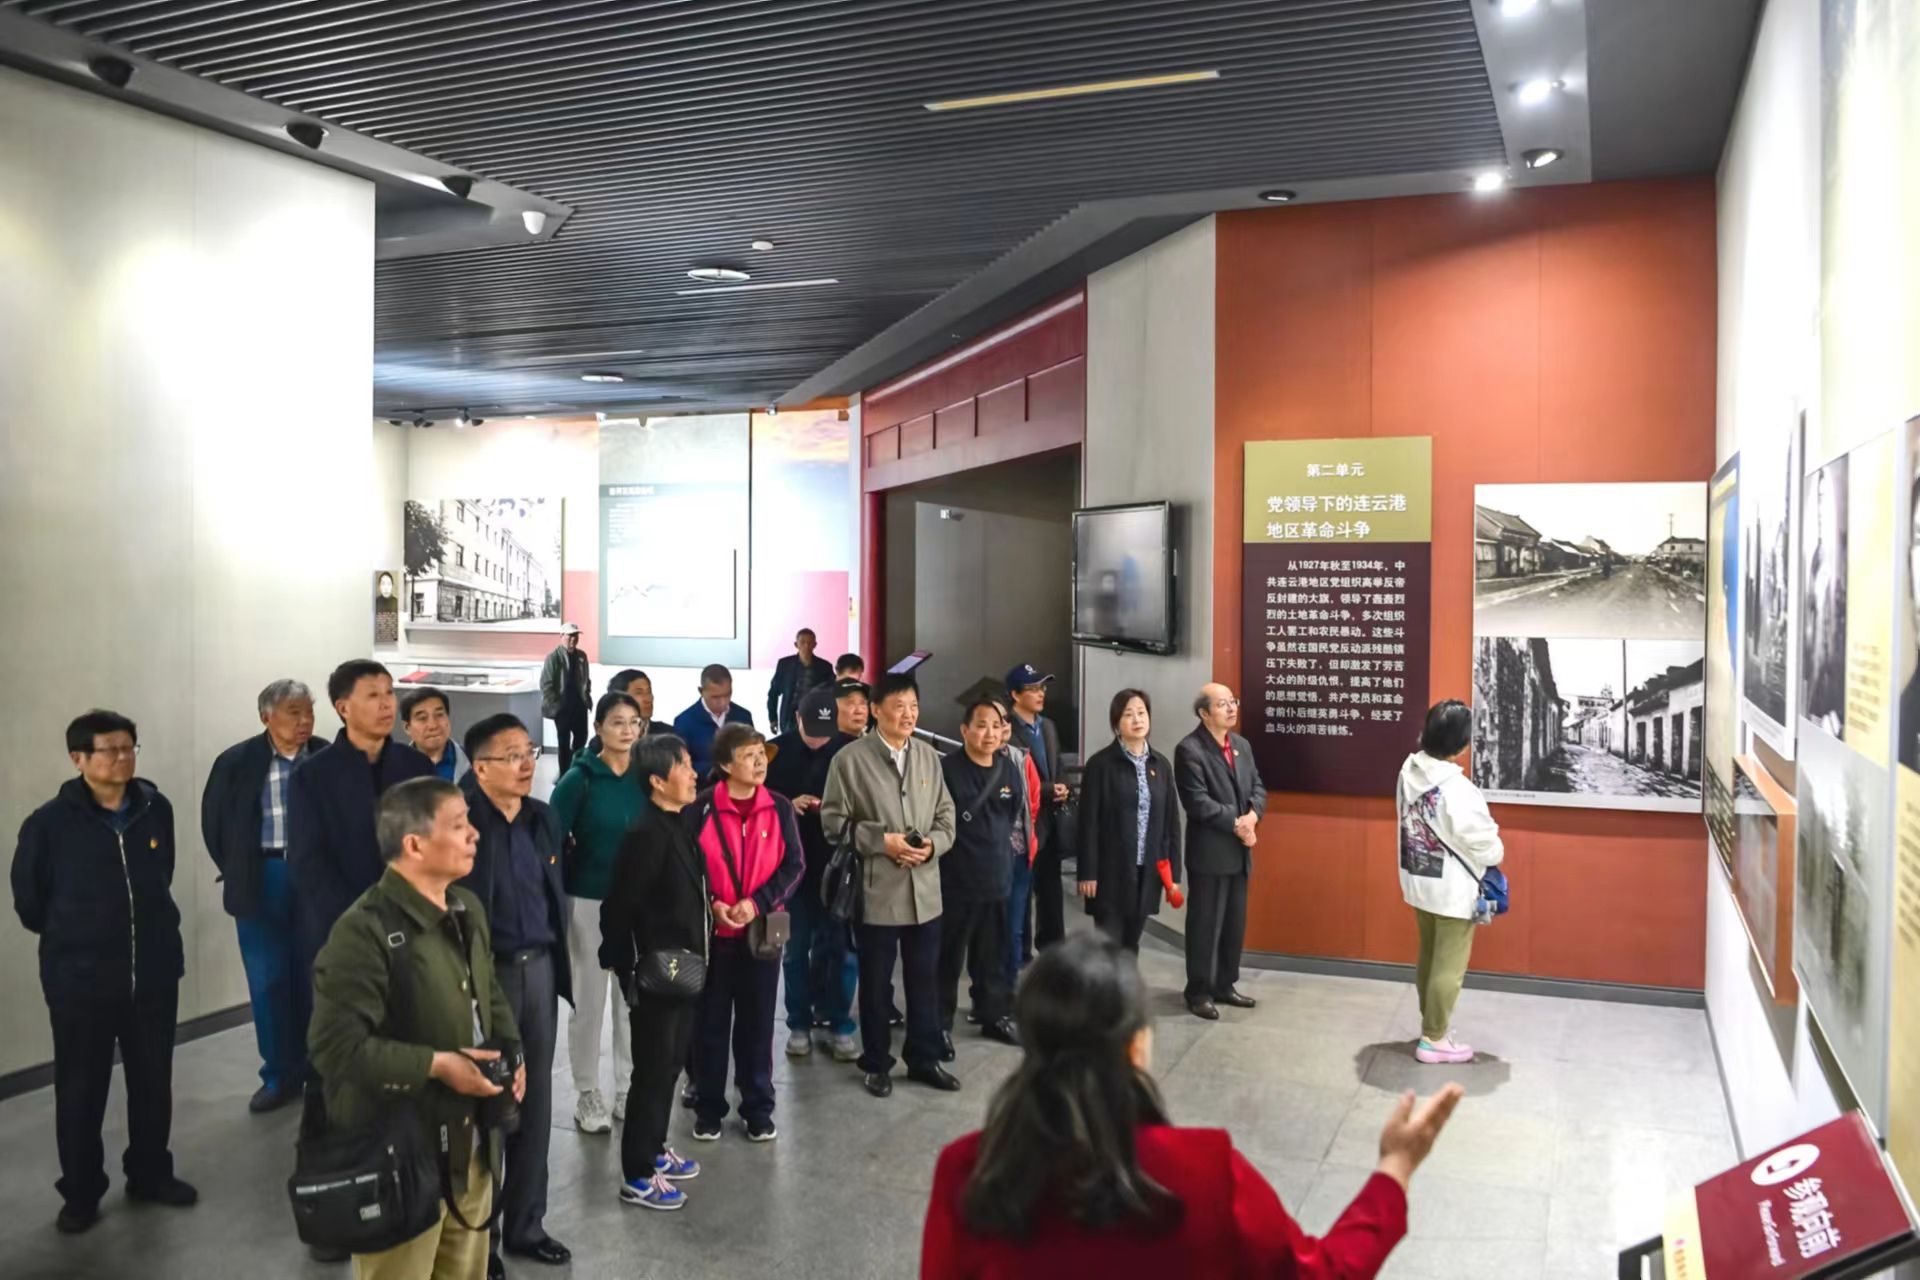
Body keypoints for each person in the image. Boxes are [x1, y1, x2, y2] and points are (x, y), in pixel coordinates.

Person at [919, 933, 1463, 1278]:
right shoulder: (1206, 1171)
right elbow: (1320, 1273)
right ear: (1137, 1044)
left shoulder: (968, 1170)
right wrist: (1395, 1169)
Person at [307, 778, 527, 1280]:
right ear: (414, 844)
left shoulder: (466, 907)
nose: (474, 834)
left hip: (471, 1145)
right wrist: (437, 1065)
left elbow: (487, 990)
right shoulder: (363, 930)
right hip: (401, 1160)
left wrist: (512, 1051)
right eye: (458, 825)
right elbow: (334, 1048)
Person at [11, 710, 196, 1235]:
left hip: (153, 972)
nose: (122, 758)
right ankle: (81, 1191)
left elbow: (161, 876)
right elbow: (30, 903)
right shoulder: (49, 825)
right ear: (78, 758)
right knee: (80, 1090)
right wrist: (81, 934)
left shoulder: (156, 808)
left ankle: (150, 1173)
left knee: (153, 1081)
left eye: (129, 747)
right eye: (110, 750)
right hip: (81, 982)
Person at [457, 715, 573, 1271]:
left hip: (540, 970)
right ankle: (482, 1238)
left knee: (536, 1100)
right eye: (511, 756)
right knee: (488, 1105)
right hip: (486, 976)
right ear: (480, 768)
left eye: (529, 752)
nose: (526, 764)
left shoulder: (541, 818)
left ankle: (527, 1225)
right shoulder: (458, 822)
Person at [821, 673, 959, 1098]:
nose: (908, 715)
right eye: (899, 706)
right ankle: (877, 1062)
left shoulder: (928, 756)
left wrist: (932, 846)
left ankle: (923, 1058)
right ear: (876, 710)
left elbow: (947, 816)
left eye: (913, 706)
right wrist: (883, 842)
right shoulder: (849, 760)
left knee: (924, 980)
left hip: (925, 891)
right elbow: (833, 823)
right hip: (876, 890)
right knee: (877, 983)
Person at [201, 678, 324, 1113]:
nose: (305, 721)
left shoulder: (327, 757)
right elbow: (215, 825)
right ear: (266, 716)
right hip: (261, 876)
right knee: (268, 979)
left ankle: (318, 1069)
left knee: (318, 975)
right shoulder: (236, 762)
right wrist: (239, 868)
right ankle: (278, 1074)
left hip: (315, 878)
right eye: (294, 712)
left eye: (309, 711)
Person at [600, 735, 707, 1211]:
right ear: (658, 781)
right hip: (657, 975)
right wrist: (626, 970)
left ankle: (656, 1147)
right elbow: (619, 908)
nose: (694, 773)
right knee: (652, 1071)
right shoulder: (645, 835)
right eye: (683, 766)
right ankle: (638, 1174)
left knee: (670, 1065)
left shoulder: (676, 824)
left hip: (683, 971)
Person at [687, 724, 804, 1141]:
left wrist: (756, 903)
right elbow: (687, 868)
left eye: (761, 754)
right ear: (724, 764)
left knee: (758, 1026)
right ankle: (708, 1108)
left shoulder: (779, 807)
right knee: (710, 1025)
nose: (758, 763)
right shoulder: (700, 809)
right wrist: (712, 904)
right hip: (713, 938)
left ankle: (757, 1107)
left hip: (762, 935)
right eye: (748, 756)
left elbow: (794, 866)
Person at [288, 660, 436, 975]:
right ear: (343, 708)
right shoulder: (312, 776)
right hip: (343, 930)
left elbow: (433, 843)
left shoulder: (416, 766)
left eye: (389, 692)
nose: (386, 704)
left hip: (414, 925)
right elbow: (309, 862)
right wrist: (363, 918)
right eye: (373, 695)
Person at [548, 692, 646, 1134]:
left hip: (639, 904)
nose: (627, 730)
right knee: (589, 999)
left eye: (634, 722)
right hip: (589, 901)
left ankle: (627, 1086)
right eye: (617, 722)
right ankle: (587, 1091)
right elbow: (550, 838)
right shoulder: (579, 779)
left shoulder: (646, 775)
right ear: (599, 728)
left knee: (632, 1000)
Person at [1396, 700, 1505, 1066]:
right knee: (1449, 967)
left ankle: (1431, 1025)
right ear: (1461, 743)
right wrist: (1496, 850)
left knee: (1428, 956)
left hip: (1419, 879)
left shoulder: (1408, 772)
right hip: (1453, 890)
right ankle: (1434, 1039)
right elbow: (1486, 845)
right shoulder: (1458, 789)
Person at [764, 687, 860, 1062]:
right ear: (797, 720)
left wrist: (831, 809)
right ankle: (798, 1024)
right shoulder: (774, 752)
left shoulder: (849, 751)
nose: (820, 740)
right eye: (812, 731)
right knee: (793, 952)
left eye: (827, 732)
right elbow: (754, 800)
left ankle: (840, 1024)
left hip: (838, 872)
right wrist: (787, 805)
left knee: (842, 951)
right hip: (789, 875)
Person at [1173, 683, 1268, 1021]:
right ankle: (1198, 991)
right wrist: (1238, 823)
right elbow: (1197, 802)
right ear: (1203, 713)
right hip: (1210, 853)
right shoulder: (1189, 749)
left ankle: (1225, 984)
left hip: (1239, 852)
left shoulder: (1241, 745)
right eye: (1222, 704)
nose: (1231, 708)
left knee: (1233, 924)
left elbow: (1258, 786)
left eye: (1233, 702)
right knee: (1205, 925)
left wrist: (1253, 816)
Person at [936, 698, 1023, 1054]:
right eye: (982, 725)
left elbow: (1012, 813)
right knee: (947, 959)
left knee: (993, 956)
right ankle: (938, 1024)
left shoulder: (1008, 769)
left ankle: (993, 1014)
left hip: (997, 879)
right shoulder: (947, 769)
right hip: (955, 882)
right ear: (965, 730)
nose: (990, 733)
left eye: (996, 726)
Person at [1075, 690, 1180, 953]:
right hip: (1110, 871)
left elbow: (1171, 824)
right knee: (1108, 945)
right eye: (1128, 714)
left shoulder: (1160, 765)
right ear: (1116, 723)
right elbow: (1088, 824)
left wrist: (1173, 875)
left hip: (1147, 869)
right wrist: (1088, 872)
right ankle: (1108, 983)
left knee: (1131, 943)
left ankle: (1127, 981)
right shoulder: (1100, 765)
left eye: (1142, 713)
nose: (1137, 719)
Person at [1005, 664, 1067, 958]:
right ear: (1015, 695)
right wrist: (1048, 789)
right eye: (1032, 689)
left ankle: (1054, 950)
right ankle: (1021, 955)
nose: (1040, 693)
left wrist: (1063, 786)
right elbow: (1013, 778)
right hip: (1024, 824)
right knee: (1022, 892)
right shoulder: (1007, 729)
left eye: (1042, 687)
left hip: (1050, 821)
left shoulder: (1048, 726)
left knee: (1051, 891)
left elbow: (1058, 765)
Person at [672, 663, 754, 777]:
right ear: (701, 691)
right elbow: (679, 764)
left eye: (727, 695)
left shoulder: (743, 717)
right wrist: (716, 769)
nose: (723, 702)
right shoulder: (684, 722)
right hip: (702, 785)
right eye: (716, 697)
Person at [539, 622, 593, 773]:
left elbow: (586, 679)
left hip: (579, 706)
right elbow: (546, 684)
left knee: (581, 738)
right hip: (562, 708)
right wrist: (557, 706)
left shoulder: (582, 656)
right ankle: (564, 775)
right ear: (561, 636)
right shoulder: (553, 658)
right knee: (563, 743)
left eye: (575, 636)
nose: (573, 639)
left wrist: (587, 696)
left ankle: (575, 770)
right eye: (570, 636)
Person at [585, 669, 673, 757]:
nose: (648, 699)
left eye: (649, 692)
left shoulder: (668, 735)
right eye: (639, 693)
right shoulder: (601, 743)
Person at [767, 627, 836, 736]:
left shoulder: (824, 667)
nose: (806, 646)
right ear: (796, 644)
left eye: (810, 643)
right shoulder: (785, 665)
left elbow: (832, 694)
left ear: (815, 645)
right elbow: (773, 693)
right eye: (802, 642)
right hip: (789, 717)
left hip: (815, 716)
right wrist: (773, 718)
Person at [401, 686, 467, 782]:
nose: (433, 725)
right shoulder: (393, 767)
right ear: (407, 727)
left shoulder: (473, 761)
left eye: (439, 715)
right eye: (422, 718)